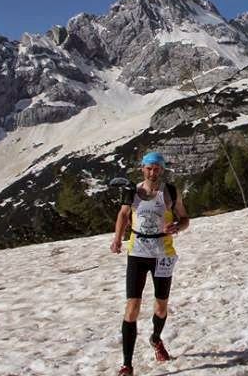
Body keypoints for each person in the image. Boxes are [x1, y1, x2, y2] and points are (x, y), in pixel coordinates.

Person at [110, 152, 189, 376]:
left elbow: (185, 219)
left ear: (162, 170)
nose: (153, 173)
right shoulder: (132, 192)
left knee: (161, 306)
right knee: (132, 307)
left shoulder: (170, 192)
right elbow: (123, 215)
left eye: (157, 169)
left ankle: (155, 338)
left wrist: (177, 226)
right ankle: (127, 364)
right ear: (142, 169)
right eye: (149, 168)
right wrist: (117, 238)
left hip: (163, 254)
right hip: (137, 253)